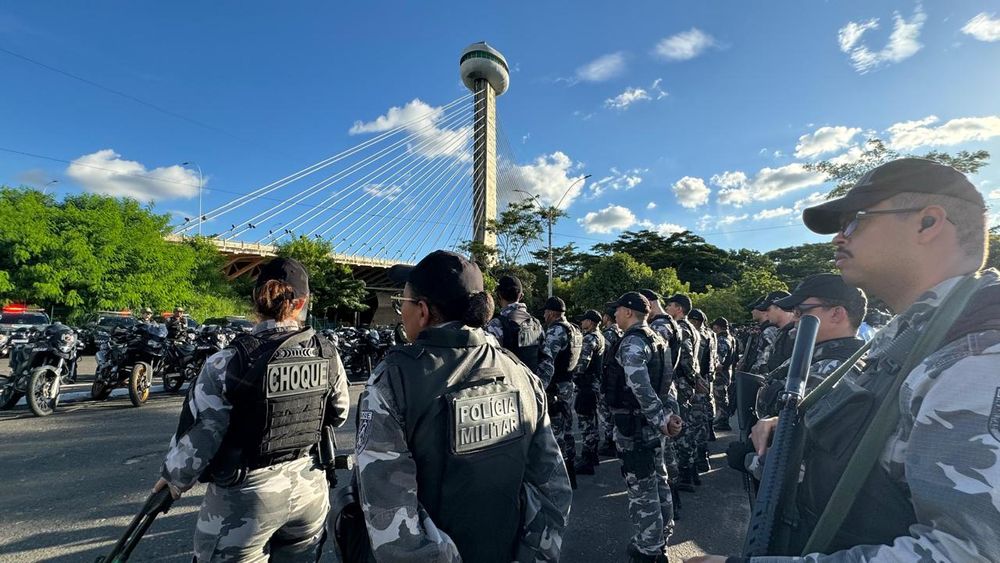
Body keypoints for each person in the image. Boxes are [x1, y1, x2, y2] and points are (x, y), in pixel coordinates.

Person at [690, 158, 1000, 562]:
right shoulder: (918, 335)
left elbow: (969, 552)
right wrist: (795, 429)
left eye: (855, 220)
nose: (839, 237)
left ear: (928, 223)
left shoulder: (978, 355)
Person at [355, 250, 572, 562]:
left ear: (423, 311)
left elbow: (388, 514)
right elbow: (553, 488)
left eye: (402, 302)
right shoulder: (521, 375)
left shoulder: (393, 379)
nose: (401, 311)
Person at [154, 257, 350, 561]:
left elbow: (202, 433)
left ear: (256, 301)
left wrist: (174, 479)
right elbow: (339, 414)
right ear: (302, 302)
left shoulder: (227, 361)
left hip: (245, 499)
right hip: (310, 490)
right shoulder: (327, 353)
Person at [605, 291, 683, 562]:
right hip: (652, 426)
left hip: (636, 426)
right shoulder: (658, 339)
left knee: (642, 487)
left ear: (628, 312)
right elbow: (667, 383)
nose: (614, 314)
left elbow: (642, 388)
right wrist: (670, 415)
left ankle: (648, 548)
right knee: (659, 480)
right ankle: (661, 537)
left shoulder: (632, 343)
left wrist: (662, 419)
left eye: (617, 309)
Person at [755, 273, 868, 417]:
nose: (794, 319)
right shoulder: (816, 356)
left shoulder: (835, 370)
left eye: (800, 311)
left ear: (836, 314)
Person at [539, 295, 584, 488]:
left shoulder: (556, 331)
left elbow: (548, 361)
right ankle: (570, 472)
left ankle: (558, 479)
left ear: (551, 313)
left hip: (555, 387)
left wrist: (538, 386)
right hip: (568, 384)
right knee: (567, 430)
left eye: (545, 312)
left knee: (555, 433)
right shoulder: (575, 329)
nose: (544, 316)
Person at [664, 293, 702, 491]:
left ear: (679, 308)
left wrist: (688, 378)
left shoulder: (681, 328)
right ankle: (691, 470)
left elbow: (685, 358)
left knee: (680, 429)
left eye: (669, 305)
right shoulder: (692, 328)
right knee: (687, 427)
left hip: (681, 382)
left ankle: (684, 473)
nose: (666, 308)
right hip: (687, 382)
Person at [485, 274, 545, 373]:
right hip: (532, 384)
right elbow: (546, 359)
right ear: (521, 296)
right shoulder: (536, 323)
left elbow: (489, 362)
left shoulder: (496, 325)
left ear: (499, 295)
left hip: (510, 385)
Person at [573, 308, 606, 475]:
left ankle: (587, 459)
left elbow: (582, 364)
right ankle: (592, 456)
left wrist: (572, 373)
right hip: (595, 384)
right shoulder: (601, 337)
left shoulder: (590, 339)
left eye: (584, 320)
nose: (581, 322)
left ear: (591, 322)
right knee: (592, 421)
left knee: (585, 423)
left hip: (586, 385)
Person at [687, 308, 718, 470]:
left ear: (695, 321)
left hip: (698, 383)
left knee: (695, 424)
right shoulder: (710, 334)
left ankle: (697, 460)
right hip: (707, 381)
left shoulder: (699, 336)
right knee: (702, 421)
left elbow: (694, 363)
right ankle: (702, 457)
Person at [599, 304, 624, 456]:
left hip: (608, 376)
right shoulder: (621, 330)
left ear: (607, 317)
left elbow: (603, 357)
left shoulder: (608, 333)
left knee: (605, 411)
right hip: (618, 377)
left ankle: (610, 442)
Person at [710, 317, 736, 431]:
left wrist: (714, 366)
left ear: (717, 326)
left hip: (721, 373)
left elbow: (720, 360)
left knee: (720, 398)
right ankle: (722, 420)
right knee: (722, 396)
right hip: (727, 372)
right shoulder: (731, 338)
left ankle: (722, 420)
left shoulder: (722, 340)